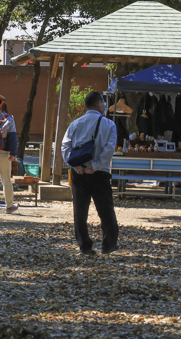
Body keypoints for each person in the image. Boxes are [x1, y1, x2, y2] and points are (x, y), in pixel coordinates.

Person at [61, 91, 119, 255]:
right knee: (106, 210)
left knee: (80, 211)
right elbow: (109, 148)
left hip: (79, 174)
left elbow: (65, 146)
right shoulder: (109, 124)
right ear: (100, 104)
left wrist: (75, 165)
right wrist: (96, 165)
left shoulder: (75, 124)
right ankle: (109, 243)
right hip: (99, 173)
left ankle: (85, 245)